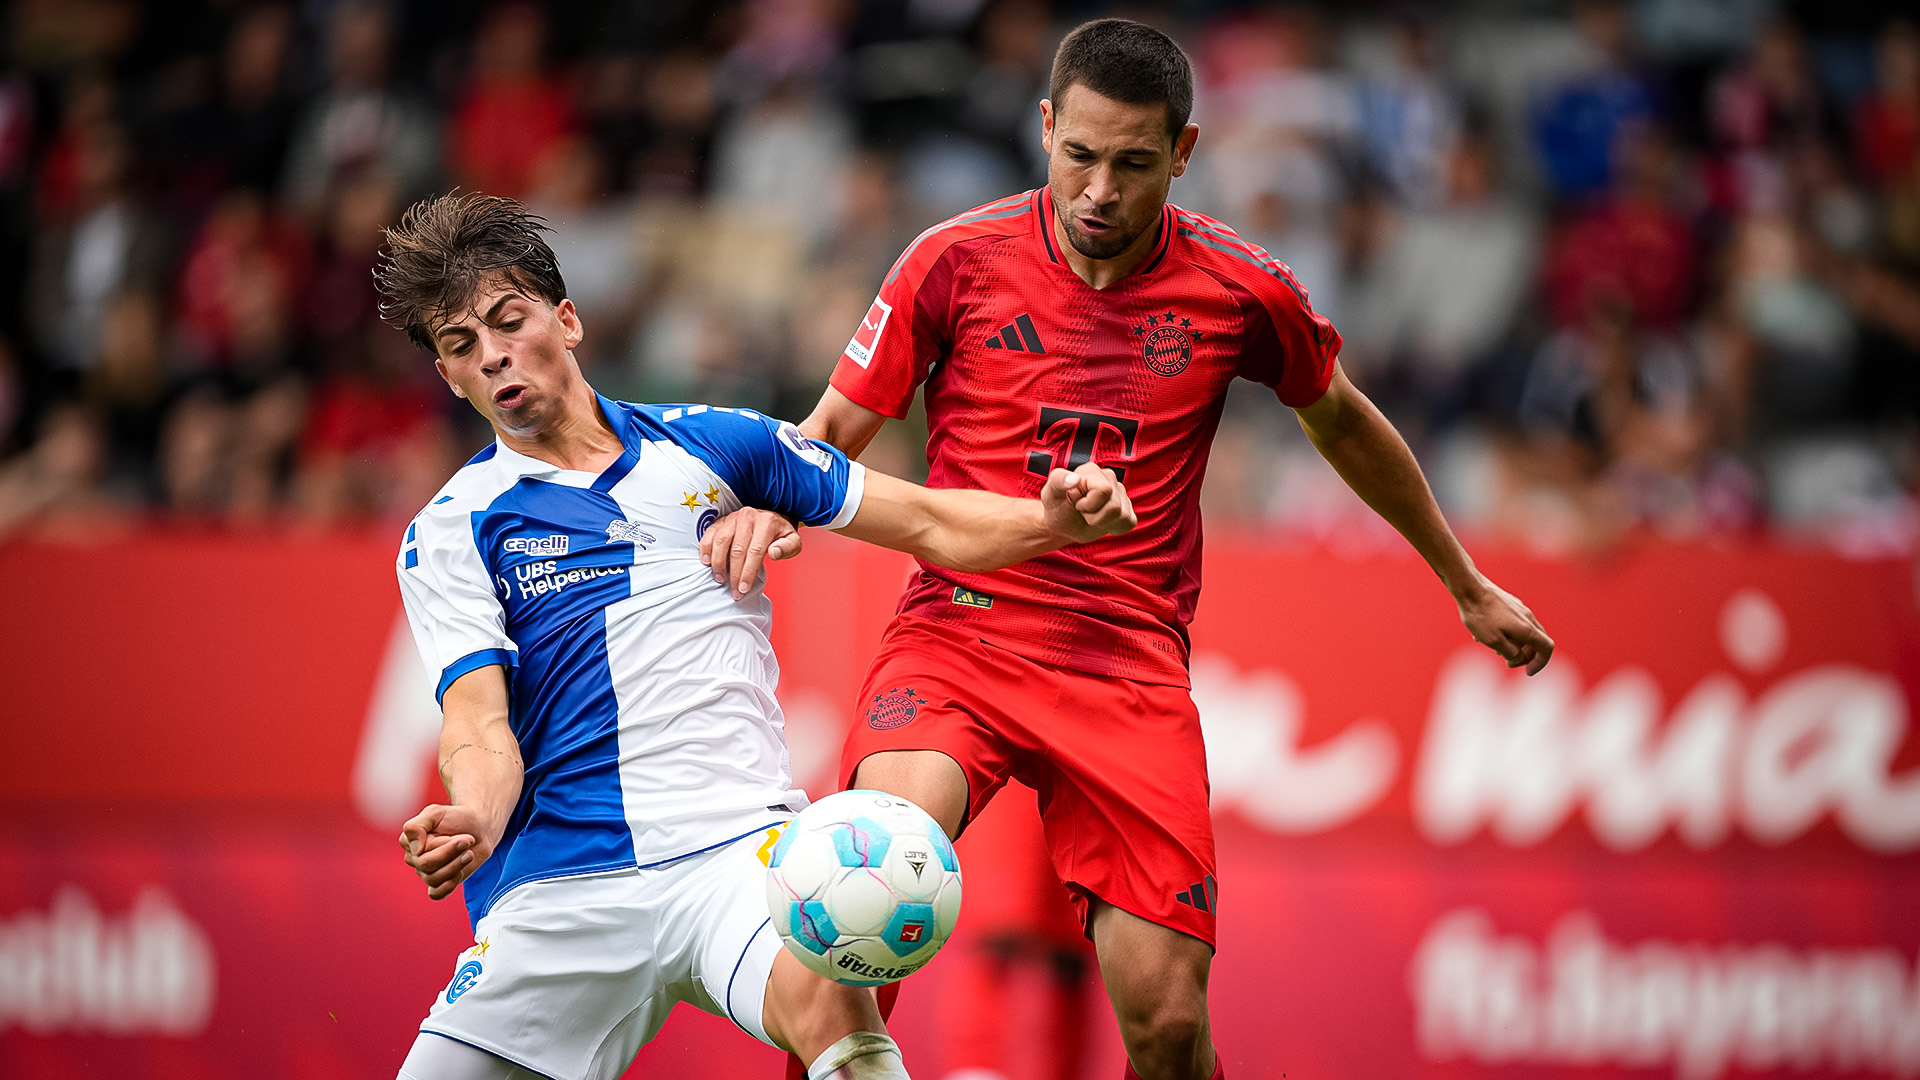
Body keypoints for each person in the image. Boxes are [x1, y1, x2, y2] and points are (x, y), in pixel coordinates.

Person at [702, 19, 1555, 1080]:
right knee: (857, 919)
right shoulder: (951, 261)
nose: (1100, 189)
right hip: (958, 639)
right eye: (1080, 156)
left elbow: (1339, 417)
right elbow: (827, 432)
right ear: (1047, 127)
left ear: (1184, 153)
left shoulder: (1244, 291)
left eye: (1135, 164)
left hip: (1125, 665)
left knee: (1164, 1022)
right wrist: (763, 503)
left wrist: (1463, 582)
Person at [374, 193, 1136, 1080]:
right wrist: (472, 811)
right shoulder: (452, 529)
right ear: (449, 377)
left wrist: (1054, 522)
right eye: (463, 347)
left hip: (738, 858)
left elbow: (930, 521)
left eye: (510, 322)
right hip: (562, 893)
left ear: (567, 319)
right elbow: (478, 725)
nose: (495, 355)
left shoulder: (721, 448)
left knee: (841, 1023)